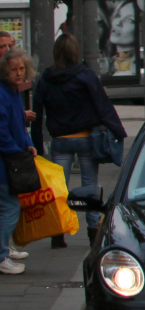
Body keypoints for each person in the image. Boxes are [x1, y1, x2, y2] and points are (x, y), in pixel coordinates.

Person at [33, 34, 126, 243]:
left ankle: (58, 233)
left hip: (60, 140)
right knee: (90, 186)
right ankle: (93, 232)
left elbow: (37, 113)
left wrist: (37, 146)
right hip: (86, 139)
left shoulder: (46, 78)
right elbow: (103, 106)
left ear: (56, 52)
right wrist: (118, 132)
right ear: (75, 52)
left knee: (59, 189)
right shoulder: (85, 75)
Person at [0, 49, 36, 273]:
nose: (18, 73)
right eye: (13, 69)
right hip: (6, 162)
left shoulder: (12, 92)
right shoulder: (4, 94)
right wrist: (17, 150)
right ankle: (2, 256)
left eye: (21, 68)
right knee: (10, 207)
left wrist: (27, 142)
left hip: (10, 158)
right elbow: (2, 131)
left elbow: (18, 124)